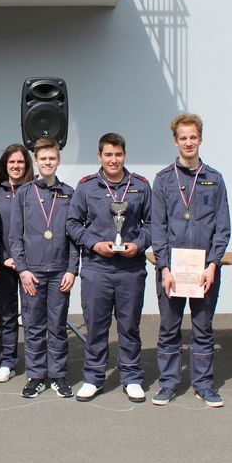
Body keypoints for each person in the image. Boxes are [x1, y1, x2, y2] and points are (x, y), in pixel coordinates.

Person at [150, 115, 231, 407]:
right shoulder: (163, 179)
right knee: (169, 328)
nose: (188, 142)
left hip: (204, 270)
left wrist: (213, 264)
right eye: (183, 138)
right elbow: (157, 227)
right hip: (172, 271)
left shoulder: (214, 179)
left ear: (200, 139)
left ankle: (204, 385)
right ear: (175, 141)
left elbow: (223, 227)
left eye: (193, 137)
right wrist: (163, 267)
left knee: (203, 328)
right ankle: (168, 384)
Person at [67, 133, 151, 403]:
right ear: (99, 156)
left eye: (118, 154)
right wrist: (94, 244)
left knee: (129, 326)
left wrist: (139, 244)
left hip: (130, 269)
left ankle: (132, 377)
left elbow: (153, 224)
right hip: (97, 268)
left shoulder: (140, 185)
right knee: (96, 326)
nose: (113, 160)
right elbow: (72, 223)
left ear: (124, 155)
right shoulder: (86, 186)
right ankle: (93, 378)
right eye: (108, 155)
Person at [8, 139, 79, 398]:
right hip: (32, 273)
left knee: (57, 326)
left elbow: (74, 236)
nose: (48, 162)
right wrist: (22, 270)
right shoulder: (24, 193)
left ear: (58, 161)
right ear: (35, 161)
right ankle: (36, 376)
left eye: (52, 158)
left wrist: (72, 269)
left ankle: (58, 375)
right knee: (34, 326)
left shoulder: (70, 193)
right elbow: (15, 236)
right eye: (43, 159)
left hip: (60, 271)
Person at [0, 143, 34, 383]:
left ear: (27, 165)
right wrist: (2, 256)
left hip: (31, 265)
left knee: (32, 315)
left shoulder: (36, 189)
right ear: (5, 165)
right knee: (7, 314)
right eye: (12, 162)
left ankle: (36, 362)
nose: (16, 166)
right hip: (5, 262)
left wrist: (25, 260)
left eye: (21, 162)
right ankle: (7, 361)